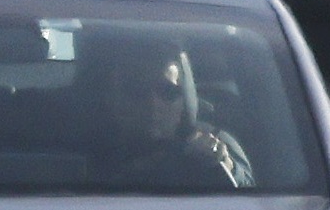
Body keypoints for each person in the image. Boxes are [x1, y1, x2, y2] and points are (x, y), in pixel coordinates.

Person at [90, 40, 255, 192]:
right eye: (136, 90)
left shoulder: (212, 144)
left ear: (185, 98)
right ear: (110, 97)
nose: (153, 103)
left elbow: (250, 198)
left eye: (168, 91)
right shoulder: (82, 156)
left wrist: (224, 164)